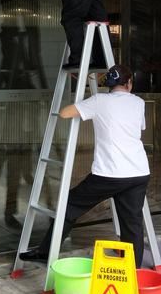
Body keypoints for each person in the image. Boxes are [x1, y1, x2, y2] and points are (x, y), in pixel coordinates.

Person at [19, 64, 150, 267]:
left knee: (69, 205)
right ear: (129, 83)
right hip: (138, 172)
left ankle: (45, 252)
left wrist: (84, 100)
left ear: (109, 84)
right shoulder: (139, 102)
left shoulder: (99, 101)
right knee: (132, 223)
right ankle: (133, 270)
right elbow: (137, 126)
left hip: (110, 173)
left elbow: (65, 113)